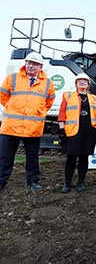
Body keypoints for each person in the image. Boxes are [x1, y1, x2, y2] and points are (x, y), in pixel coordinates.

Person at [0, 52, 55, 192]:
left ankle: (32, 181)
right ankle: (1, 181)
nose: (31, 66)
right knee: (4, 156)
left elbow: (48, 102)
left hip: (32, 127)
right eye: (29, 62)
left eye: (35, 64)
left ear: (41, 66)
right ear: (25, 63)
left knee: (32, 157)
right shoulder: (12, 78)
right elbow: (3, 97)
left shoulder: (48, 83)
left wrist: (37, 112)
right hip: (11, 126)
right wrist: (13, 108)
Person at [58, 73, 96, 193]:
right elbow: (62, 113)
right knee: (71, 158)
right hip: (73, 132)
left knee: (84, 158)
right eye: (79, 81)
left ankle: (81, 182)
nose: (82, 83)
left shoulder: (93, 98)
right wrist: (61, 130)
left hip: (89, 133)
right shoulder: (68, 95)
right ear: (76, 84)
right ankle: (67, 183)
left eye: (85, 81)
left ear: (88, 85)